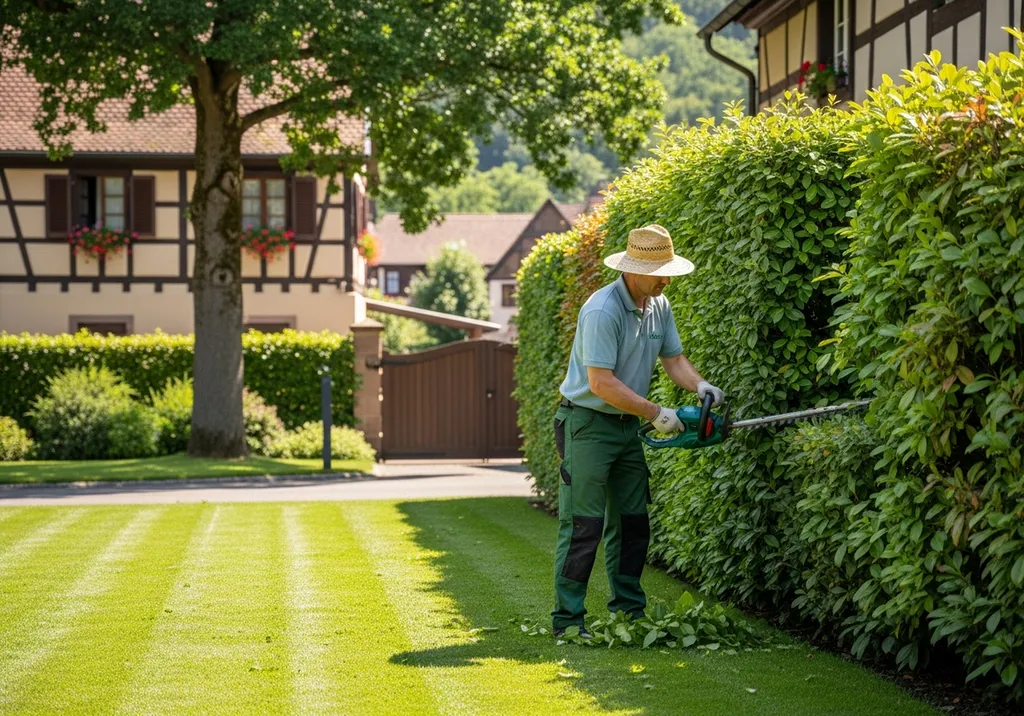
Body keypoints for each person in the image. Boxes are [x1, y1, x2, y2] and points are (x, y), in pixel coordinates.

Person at [551, 224, 723, 638]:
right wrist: (657, 411)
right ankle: (568, 621)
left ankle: (629, 612)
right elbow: (601, 383)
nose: (667, 279)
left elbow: (674, 358)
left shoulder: (658, 305)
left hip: (627, 427)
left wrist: (699, 384)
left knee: (632, 523)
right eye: (660, 272)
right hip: (587, 425)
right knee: (584, 525)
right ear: (633, 270)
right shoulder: (602, 310)